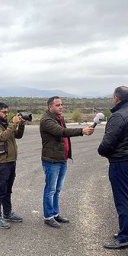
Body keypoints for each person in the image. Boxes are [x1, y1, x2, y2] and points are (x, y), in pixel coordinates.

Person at [98, 86, 128, 250]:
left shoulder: (118, 116)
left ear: (117, 98)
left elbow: (107, 144)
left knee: (122, 201)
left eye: (113, 96)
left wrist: (102, 152)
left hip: (121, 163)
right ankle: (125, 231)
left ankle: (125, 238)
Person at [40, 96, 94, 228]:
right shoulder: (46, 120)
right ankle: (48, 216)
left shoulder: (59, 118)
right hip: (52, 161)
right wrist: (81, 131)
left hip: (62, 159)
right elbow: (61, 132)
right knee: (50, 189)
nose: (61, 107)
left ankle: (55, 213)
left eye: (61, 105)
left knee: (57, 189)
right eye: (57, 105)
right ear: (50, 107)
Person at [0, 102, 25, 229]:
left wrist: (21, 124)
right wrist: (13, 123)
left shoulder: (6, 124)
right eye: (4, 112)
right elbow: (3, 137)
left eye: (7, 112)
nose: (6, 114)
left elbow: (18, 135)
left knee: (8, 190)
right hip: (2, 163)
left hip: (11, 161)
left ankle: (8, 213)